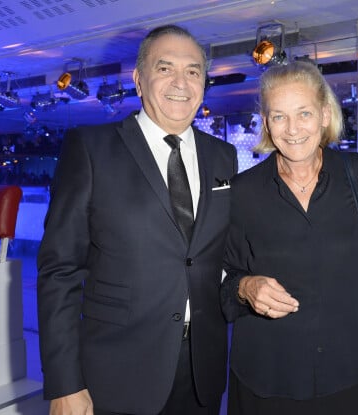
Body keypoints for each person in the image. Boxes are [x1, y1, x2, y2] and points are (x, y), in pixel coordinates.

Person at [37, 25, 238, 415]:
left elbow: (216, 256)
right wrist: (65, 383)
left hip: (202, 373)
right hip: (116, 374)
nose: (182, 82)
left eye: (194, 71)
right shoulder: (92, 148)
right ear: (139, 79)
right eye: (165, 68)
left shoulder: (223, 156)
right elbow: (59, 270)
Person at [220, 60, 358, 415]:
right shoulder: (243, 191)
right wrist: (244, 286)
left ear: (325, 115)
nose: (292, 129)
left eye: (304, 113)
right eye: (279, 116)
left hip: (346, 373)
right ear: (266, 123)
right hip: (265, 378)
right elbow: (221, 277)